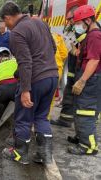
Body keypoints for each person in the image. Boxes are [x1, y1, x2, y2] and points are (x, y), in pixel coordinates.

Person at [0, 2, 58, 165]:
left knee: (24, 117)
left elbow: (25, 62)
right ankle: (45, 156)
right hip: (52, 77)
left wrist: (25, 90)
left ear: (8, 17)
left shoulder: (17, 33)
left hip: (35, 81)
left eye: (5, 22)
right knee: (41, 116)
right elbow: (53, 49)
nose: (7, 26)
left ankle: (20, 154)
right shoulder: (40, 22)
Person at [67, 5, 101, 155]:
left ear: (87, 20)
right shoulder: (90, 34)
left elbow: (94, 60)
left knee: (85, 110)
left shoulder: (94, 35)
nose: (76, 27)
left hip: (91, 78)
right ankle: (82, 136)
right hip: (88, 76)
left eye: (78, 23)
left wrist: (82, 81)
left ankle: (88, 146)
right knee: (79, 108)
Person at [51, 7, 82, 128]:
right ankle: (65, 119)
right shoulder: (72, 31)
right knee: (69, 90)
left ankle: (80, 126)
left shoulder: (86, 33)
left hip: (80, 69)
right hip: (73, 68)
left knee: (78, 95)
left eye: (70, 19)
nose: (68, 22)